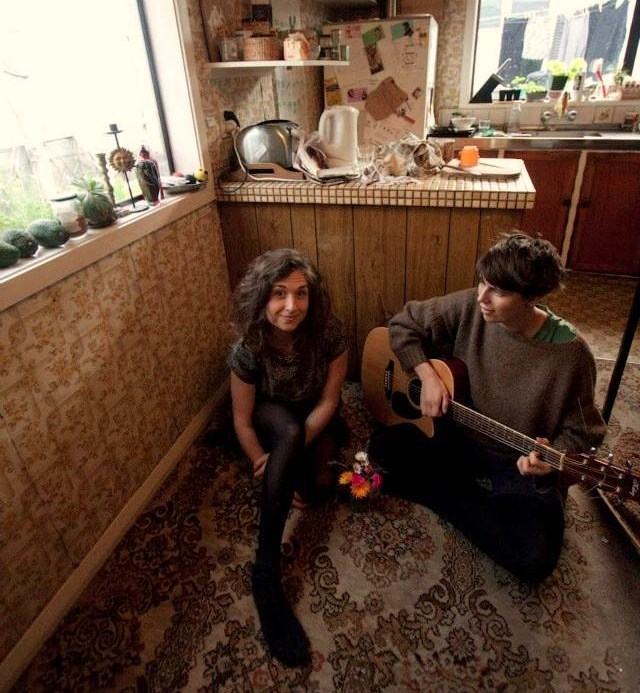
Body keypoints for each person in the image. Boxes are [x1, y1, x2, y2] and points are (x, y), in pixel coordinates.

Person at [368, 232, 606, 582]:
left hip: (517, 463)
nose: (482, 297)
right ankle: (479, 500)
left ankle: (448, 492)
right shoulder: (473, 306)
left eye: (499, 292)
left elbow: (585, 434)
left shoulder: (572, 355)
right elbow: (404, 323)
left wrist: (550, 460)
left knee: (533, 561)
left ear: (531, 297)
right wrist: (427, 375)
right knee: (381, 448)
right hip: (459, 437)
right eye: (482, 282)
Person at [228, 248, 348, 666]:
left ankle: (295, 458)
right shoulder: (249, 346)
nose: (291, 306)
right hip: (272, 415)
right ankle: (265, 571)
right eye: (279, 294)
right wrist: (262, 459)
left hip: (315, 411)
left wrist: (291, 457)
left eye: (301, 293)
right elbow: (242, 420)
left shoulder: (330, 332)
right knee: (290, 432)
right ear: (262, 297)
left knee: (318, 488)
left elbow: (330, 400)